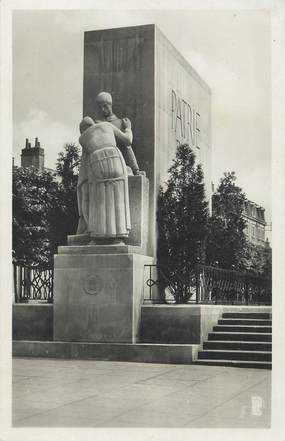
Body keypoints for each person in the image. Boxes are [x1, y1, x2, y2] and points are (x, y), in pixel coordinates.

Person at [76, 115, 132, 244]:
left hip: (96, 162)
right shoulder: (107, 125)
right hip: (115, 158)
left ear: (82, 129)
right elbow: (128, 140)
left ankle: (96, 237)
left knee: (98, 200)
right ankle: (118, 238)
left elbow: (84, 165)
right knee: (118, 198)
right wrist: (128, 128)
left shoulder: (82, 139)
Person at [94, 92, 144, 176]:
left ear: (110, 105)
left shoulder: (120, 123)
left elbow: (127, 145)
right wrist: (128, 129)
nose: (102, 109)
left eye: (105, 106)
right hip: (102, 161)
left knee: (126, 146)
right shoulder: (97, 124)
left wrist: (135, 170)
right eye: (100, 107)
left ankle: (135, 170)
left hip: (117, 159)